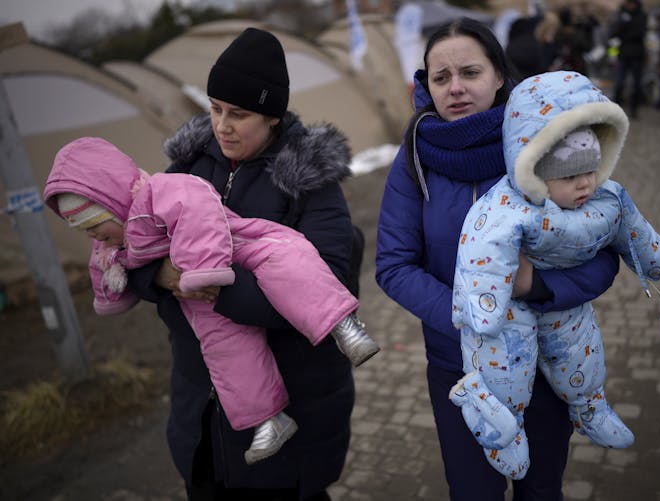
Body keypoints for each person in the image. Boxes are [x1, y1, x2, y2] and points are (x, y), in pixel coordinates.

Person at [449, 70, 660, 479]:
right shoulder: (506, 207)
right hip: (509, 307)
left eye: (590, 170)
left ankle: (589, 405)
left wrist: (655, 259)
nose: (585, 184)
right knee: (505, 362)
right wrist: (485, 308)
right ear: (535, 170)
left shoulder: (607, 198)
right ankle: (504, 429)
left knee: (579, 348)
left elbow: (632, 228)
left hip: (562, 301)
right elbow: (481, 251)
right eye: (570, 176)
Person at [375, 18, 621, 500]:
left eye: (470, 72)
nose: (456, 88)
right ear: (426, 85)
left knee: (541, 488)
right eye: (441, 78)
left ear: (499, 76)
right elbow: (394, 265)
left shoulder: (547, 143)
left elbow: (604, 253)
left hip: (548, 362)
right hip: (460, 366)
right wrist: (471, 317)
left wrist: (537, 289)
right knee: (473, 492)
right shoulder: (414, 158)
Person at [111, 27, 359, 500]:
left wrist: (211, 287)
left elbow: (327, 283)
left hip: (294, 403)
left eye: (238, 114)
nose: (222, 125)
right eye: (215, 108)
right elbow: (136, 240)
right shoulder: (187, 165)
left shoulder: (310, 180)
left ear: (271, 116)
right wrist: (162, 275)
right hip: (200, 411)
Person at [43, 136, 380, 465]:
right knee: (226, 350)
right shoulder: (132, 221)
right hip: (198, 304)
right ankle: (267, 419)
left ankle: (342, 325)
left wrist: (202, 273)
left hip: (239, 243)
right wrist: (137, 279)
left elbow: (196, 210)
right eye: (86, 231)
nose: (225, 125)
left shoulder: (163, 190)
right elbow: (110, 265)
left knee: (288, 259)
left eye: (96, 226)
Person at [608, 0, 649, 118]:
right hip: (623, 54)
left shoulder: (642, 15)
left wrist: (625, 30)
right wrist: (624, 26)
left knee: (636, 84)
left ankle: (634, 109)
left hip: (637, 55)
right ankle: (615, 110)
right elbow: (614, 32)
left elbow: (639, 33)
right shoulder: (621, 14)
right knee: (619, 83)